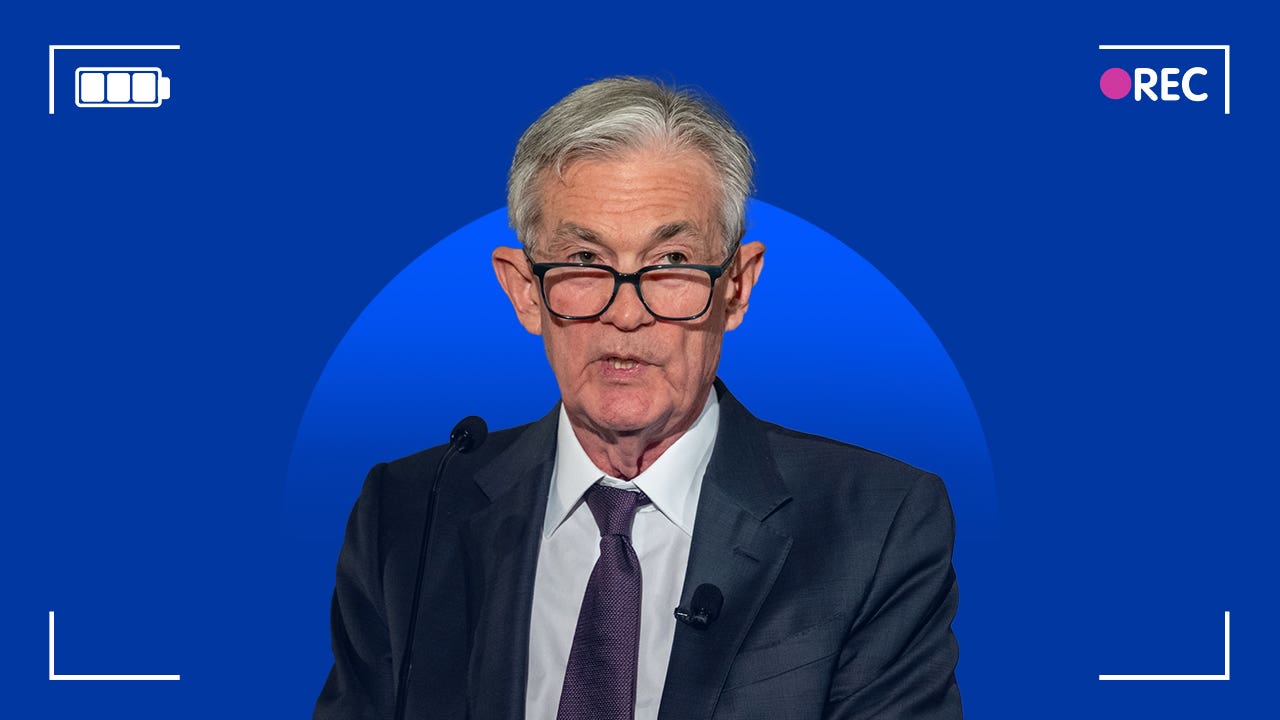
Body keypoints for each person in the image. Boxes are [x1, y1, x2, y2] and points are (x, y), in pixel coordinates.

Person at [315, 76, 961, 720]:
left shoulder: (875, 525)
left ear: (736, 288)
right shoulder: (408, 514)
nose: (626, 314)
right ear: (525, 291)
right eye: (584, 260)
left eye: (671, 261)